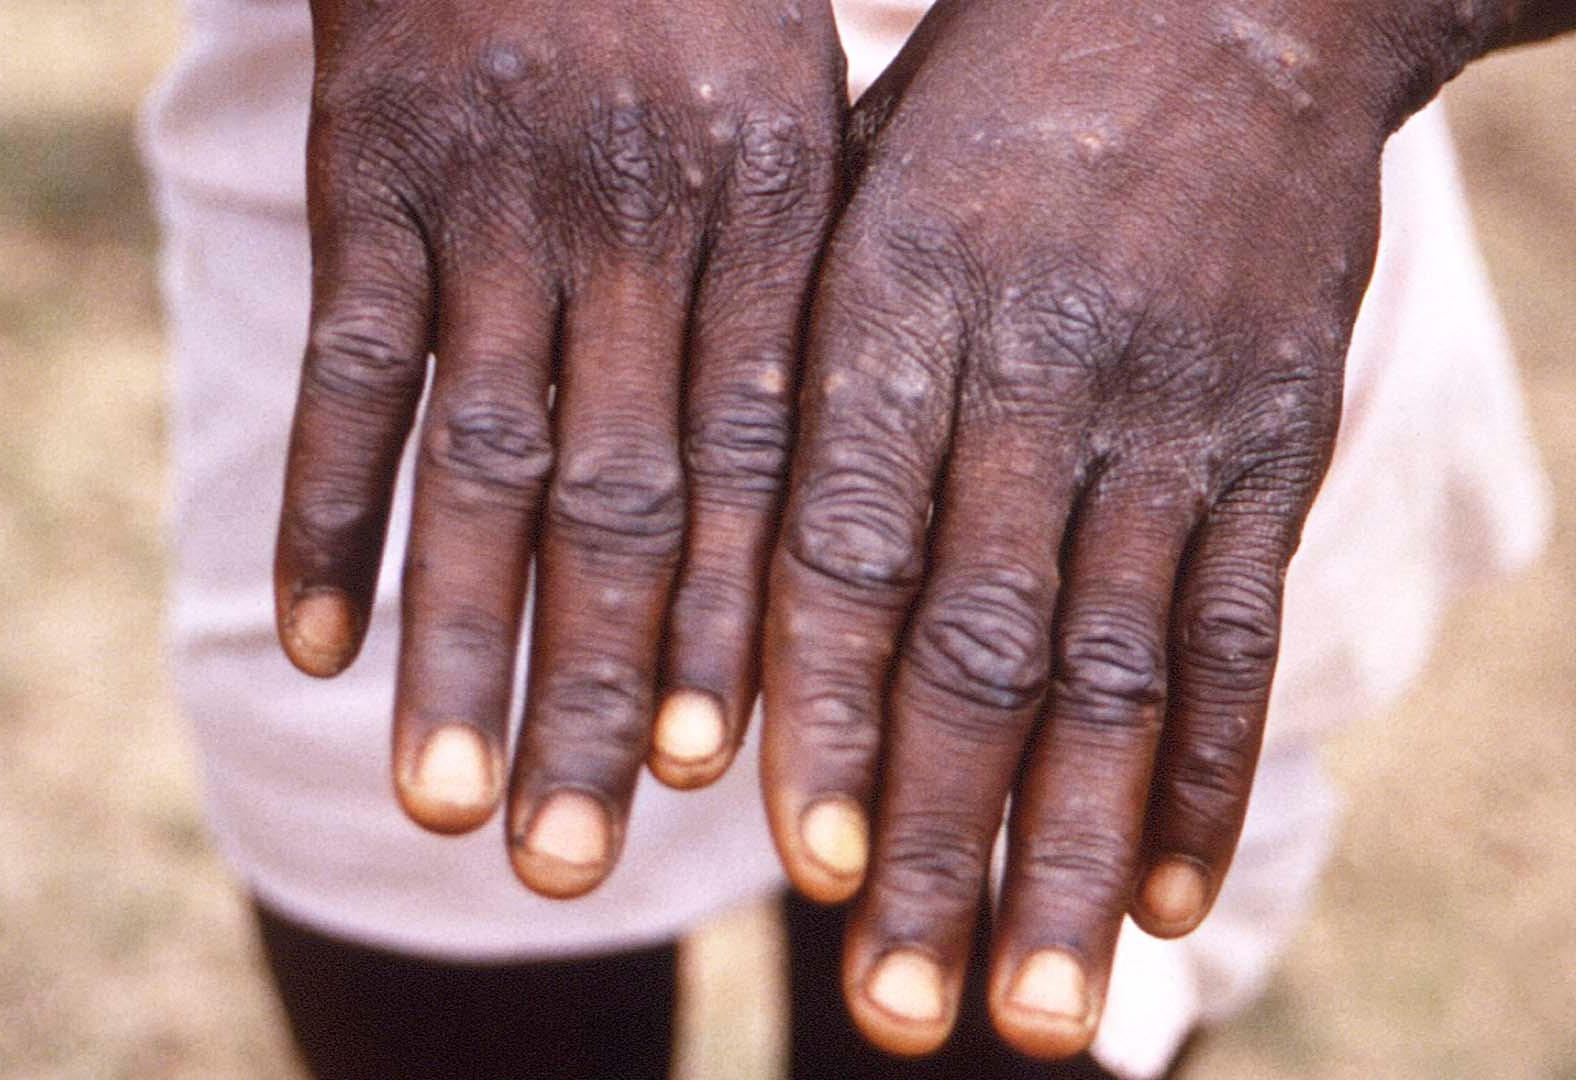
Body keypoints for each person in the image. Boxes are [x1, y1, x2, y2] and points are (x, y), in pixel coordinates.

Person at [140, 1, 1568, 1076]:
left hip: (1158, 211)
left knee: (1023, 937)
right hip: (491, 175)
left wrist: (1282, 37)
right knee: (439, 886)